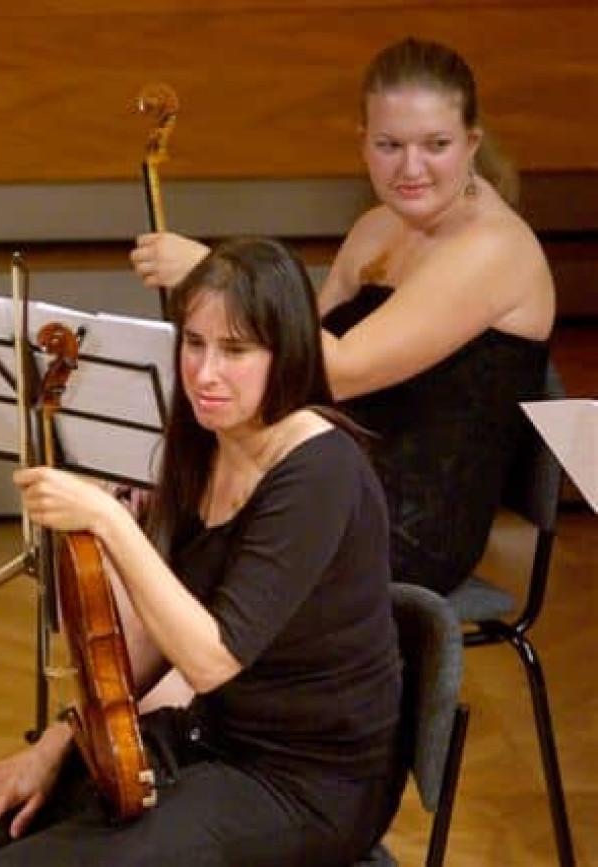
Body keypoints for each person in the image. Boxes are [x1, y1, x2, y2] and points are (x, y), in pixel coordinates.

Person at [0, 238, 402, 866]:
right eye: (194, 343)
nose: (205, 372)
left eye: (235, 350)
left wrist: (112, 522)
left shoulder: (320, 469)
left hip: (306, 784)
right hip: (210, 739)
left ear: (288, 353)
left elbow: (211, 660)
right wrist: (55, 746)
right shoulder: (208, 444)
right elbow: (152, 645)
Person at [130, 37, 554, 593]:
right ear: (363, 144)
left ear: (471, 143)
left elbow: (338, 369)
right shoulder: (376, 228)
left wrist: (219, 273)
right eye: (389, 145)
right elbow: (294, 368)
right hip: (328, 482)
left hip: (408, 526)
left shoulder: (492, 249)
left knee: (189, 548)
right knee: (138, 510)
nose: (411, 167)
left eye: (436, 144)